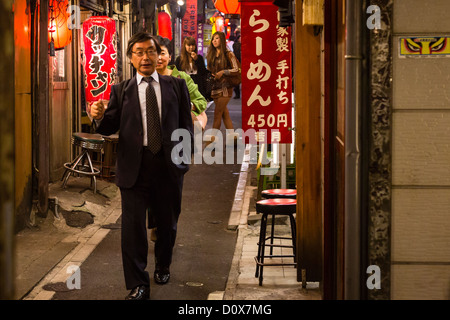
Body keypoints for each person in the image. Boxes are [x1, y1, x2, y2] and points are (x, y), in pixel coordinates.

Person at [89, 32, 193, 300]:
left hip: (168, 164)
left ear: (159, 55)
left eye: (151, 51)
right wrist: (97, 116)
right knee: (132, 227)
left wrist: (182, 163)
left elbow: (186, 127)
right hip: (134, 166)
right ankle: (138, 284)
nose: (145, 57)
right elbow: (109, 127)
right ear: (131, 58)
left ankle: (163, 264)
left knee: (167, 222)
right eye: (139, 52)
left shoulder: (176, 86)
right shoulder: (121, 90)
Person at [156, 36, 207, 131]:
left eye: (162, 53)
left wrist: (187, 105)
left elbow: (201, 101)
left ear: (170, 57)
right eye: (154, 53)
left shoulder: (182, 78)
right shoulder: (145, 80)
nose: (159, 57)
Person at [206, 31, 240, 138]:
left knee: (217, 115)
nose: (214, 41)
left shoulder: (229, 54)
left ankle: (211, 141)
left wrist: (223, 72)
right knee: (225, 115)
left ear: (222, 39)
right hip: (215, 87)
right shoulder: (211, 54)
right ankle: (233, 139)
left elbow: (236, 69)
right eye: (213, 39)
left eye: (217, 38)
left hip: (225, 88)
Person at [232, 34, 241, 99]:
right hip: (238, 63)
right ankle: (237, 94)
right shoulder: (236, 45)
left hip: (245, 64)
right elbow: (236, 53)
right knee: (237, 79)